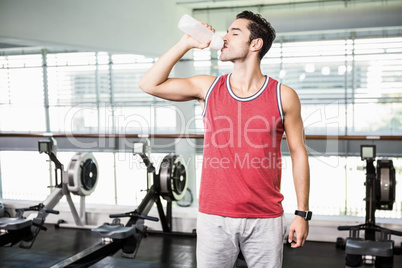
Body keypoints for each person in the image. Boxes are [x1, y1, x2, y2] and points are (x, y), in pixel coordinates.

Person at [139, 10, 310, 268]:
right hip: (214, 216)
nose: (224, 37)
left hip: (265, 217)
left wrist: (302, 213)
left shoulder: (283, 96)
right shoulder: (208, 87)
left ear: (255, 44)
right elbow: (150, 84)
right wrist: (185, 43)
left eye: (234, 32)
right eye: (227, 31)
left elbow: (298, 153)